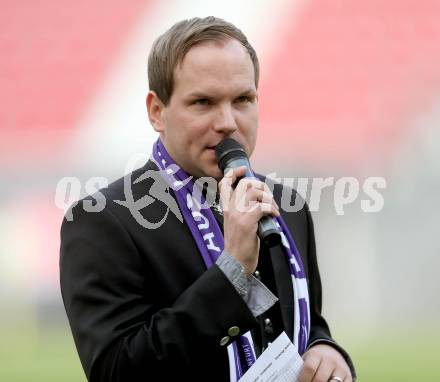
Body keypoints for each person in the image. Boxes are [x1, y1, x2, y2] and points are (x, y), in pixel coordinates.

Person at [60, 16, 356, 382]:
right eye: (203, 102)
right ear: (157, 111)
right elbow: (117, 372)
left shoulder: (286, 204)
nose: (228, 121)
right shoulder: (103, 220)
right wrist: (231, 273)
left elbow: (307, 326)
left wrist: (327, 349)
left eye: (243, 99)